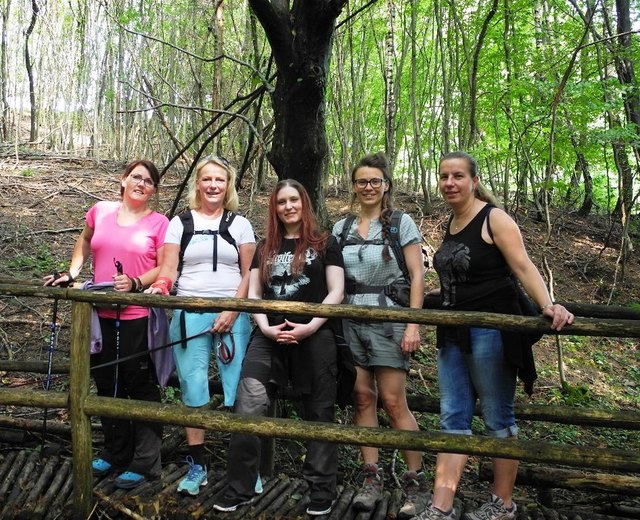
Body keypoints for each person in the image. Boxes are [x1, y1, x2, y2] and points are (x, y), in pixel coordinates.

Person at [417, 151, 574, 520]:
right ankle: (441, 507)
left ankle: (502, 504)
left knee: (496, 418)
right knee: (452, 417)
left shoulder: (494, 218)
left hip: (491, 330)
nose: (450, 183)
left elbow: (522, 265)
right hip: (451, 332)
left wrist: (549, 304)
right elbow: (457, 282)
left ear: (474, 180)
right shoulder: (453, 222)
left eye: (458, 176)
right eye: (444, 177)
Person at [212, 179, 345, 517]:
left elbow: (336, 291)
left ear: (304, 203)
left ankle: (321, 489)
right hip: (268, 335)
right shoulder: (264, 246)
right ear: (275, 207)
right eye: (281, 201)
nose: (288, 207)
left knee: (319, 408)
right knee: (249, 402)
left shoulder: (326, 242)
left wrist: (311, 325)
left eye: (294, 200)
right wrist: (266, 328)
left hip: (314, 334)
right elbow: (255, 293)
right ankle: (240, 487)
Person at [44, 159, 170, 489]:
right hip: (98, 314)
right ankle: (116, 452)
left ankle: (145, 462)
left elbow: (166, 265)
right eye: (136, 177)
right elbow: (85, 241)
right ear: (124, 179)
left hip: (137, 316)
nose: (142, 184)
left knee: (138, 384)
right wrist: (72, 273)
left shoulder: (160, 223)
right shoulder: (100, 211)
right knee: (106, 380)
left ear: (154, 190)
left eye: (149, 181)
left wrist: (136, 282)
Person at [146, 155, 256, 496]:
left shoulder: (240, 224)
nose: (213, 185)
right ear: (198, 183)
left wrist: (234, 310)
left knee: (239, 393)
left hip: (232, 316)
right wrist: (160, 286)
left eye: (219, 180)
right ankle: (198, 467)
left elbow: (251, 273)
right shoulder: (179, 223)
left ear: (228, 186)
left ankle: (245, 471)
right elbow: (169, 269)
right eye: (207, 179)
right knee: (193, 390)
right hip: (188, 315)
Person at [332, 152, 428, 519]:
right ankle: (371, 479)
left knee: (393, 401)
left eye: (375, 181)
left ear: (386, 184)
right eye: (362, 181)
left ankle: (414, 482)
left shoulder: (401, 223)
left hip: (390, 320)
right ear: (354, 186)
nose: (368, 187)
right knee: (361, 398)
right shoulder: (342, 228)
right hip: (350, 321)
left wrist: (413, 324)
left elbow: (418, 276)